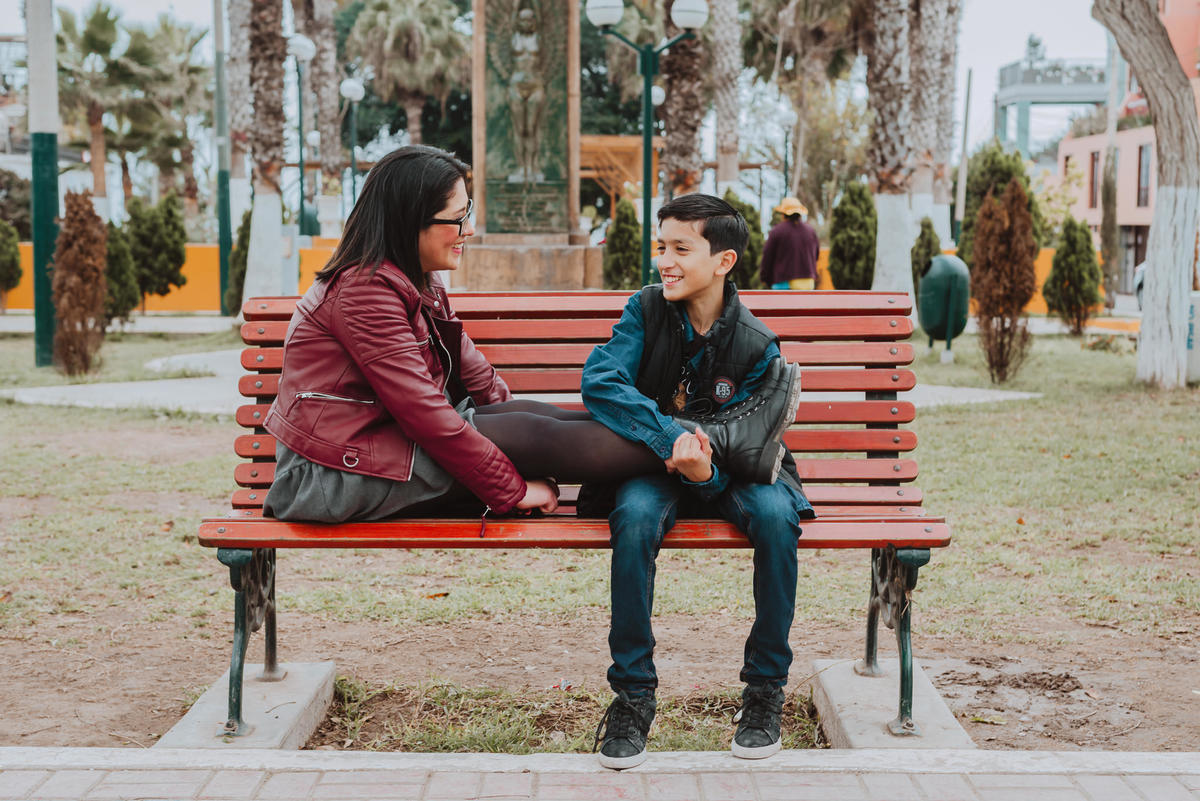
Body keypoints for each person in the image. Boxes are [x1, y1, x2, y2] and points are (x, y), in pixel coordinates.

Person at [262, 145, 798, 525]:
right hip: (332, 475)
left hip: (380, 449)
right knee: (533, 432)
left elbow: (474, 374)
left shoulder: (412, 279)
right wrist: (513, 487)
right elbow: (426, 414)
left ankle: (724, 443)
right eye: (457, 217)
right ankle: (726, 445)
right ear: (410, 223)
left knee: (540, 420)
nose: (469, 228)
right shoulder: (364, 293)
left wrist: (525, 433)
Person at [581, 194, 816, 770]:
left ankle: (764, 691)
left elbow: (752, 444)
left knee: (775, 518)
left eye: (682, 249)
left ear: (724, 261)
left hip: (739, 470)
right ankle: (633, 696)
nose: (666, 261)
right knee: (633, 519)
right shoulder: (645, 309)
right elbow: (602, 382)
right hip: (652, 463)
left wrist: (706, 472)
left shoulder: (758, 346)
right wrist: (670, 441)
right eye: (662, 247)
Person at [759, 197, 820, 290]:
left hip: (784, 282)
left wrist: (765, 278)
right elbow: (816, 255)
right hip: (808, 282)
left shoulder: (777, 231)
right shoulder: (811, 231)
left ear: (783, 214)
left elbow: (767, 256)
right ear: (800, 213)